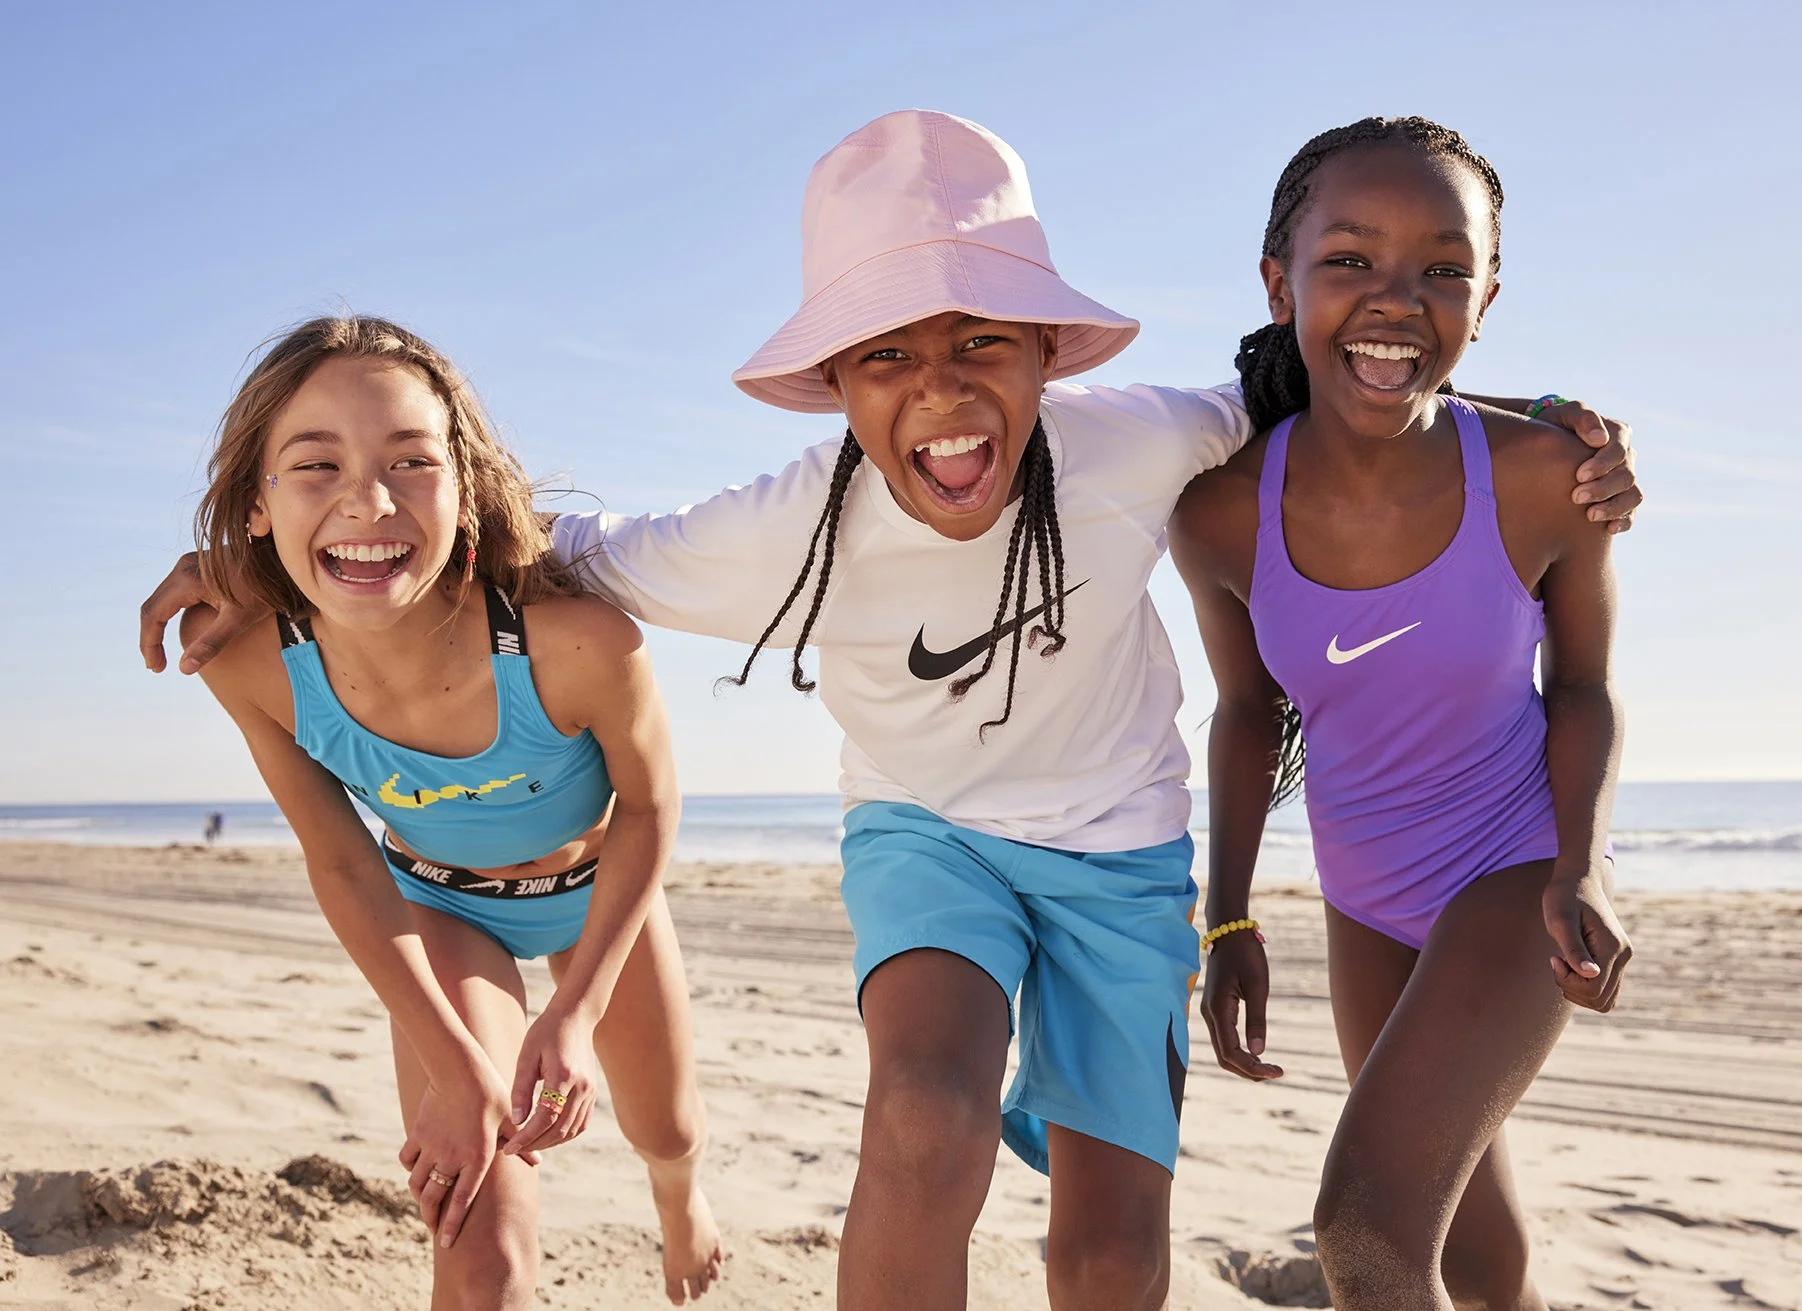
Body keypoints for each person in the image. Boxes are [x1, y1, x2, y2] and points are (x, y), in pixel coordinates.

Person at [140, 112, 1640, 1310]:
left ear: (1046, 352)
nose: (940, 389)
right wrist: (263, 565)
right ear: (835, 382)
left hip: (1122, 860)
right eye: (887, 355)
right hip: (926, 842)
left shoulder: (1142, 443)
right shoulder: (781, 526)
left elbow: (1350, 392)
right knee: (922, 1113)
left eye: (983, 338)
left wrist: (1559, 431)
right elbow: (500, 553)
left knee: (1109, 1255)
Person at [1170, 117, 1632, 1310]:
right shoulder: (1219, 510)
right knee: (1475, 1256)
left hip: (1516, 873)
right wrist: (1225, 921)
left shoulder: (1544, 476)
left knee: (1363, 1231)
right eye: (1349, 262)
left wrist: (1581, 869)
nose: (1397, 298)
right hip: (1361, 894)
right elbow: (1244, 712)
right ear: (1279, 284)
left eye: (1441, 269)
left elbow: (1579, 687)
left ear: (1484, 296)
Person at [176, 316, 722, 1308]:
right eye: (315, 465)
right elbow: (343, 865)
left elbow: (648, 809)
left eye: (409, 462)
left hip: (598, 897)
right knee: (478, 1247)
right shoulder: (255, 669)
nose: (366, 501)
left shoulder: (579, 644)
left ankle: (681, 1201)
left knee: (667, 1127)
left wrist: (576, 1009)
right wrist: (454, 1065)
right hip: (440, 910)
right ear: (256, 505)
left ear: (463, 487)